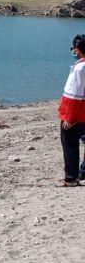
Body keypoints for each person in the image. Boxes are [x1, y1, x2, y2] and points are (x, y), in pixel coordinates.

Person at [58, 34, 85, 186]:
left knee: (70, 145)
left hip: (78, 114)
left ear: (77, 50)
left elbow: (74, 94)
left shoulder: (80, 68)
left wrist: (69, 117)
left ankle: (71, 178)